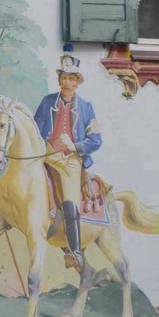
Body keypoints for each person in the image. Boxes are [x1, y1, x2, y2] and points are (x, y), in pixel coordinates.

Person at [33, 45, 102, 272]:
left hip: (71, 161)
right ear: (59, 80)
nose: (67, 83)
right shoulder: (46, 102)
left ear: (77, 82)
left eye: (72, 79)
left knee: (70, 201)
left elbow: (96, 140)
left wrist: (75, 146)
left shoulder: (87, 108)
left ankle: (74, 252)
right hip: (46, 156)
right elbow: (35, 131)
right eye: (64, 78)